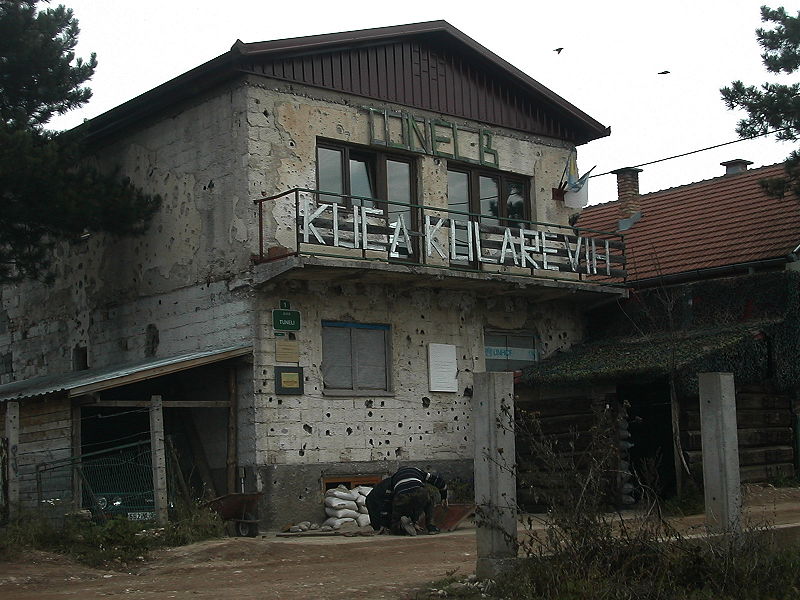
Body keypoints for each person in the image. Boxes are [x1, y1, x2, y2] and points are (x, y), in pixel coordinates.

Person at [366, 466, 448, 536]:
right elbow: (439, 481)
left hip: (401, 496)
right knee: (428, 499)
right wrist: (444, 497)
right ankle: (431, 527)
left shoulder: (394, 478)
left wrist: (383, 524)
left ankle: (401, 527)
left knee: (395, 524)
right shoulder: (418, 471)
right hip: (418, 492)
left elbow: (387, 502)